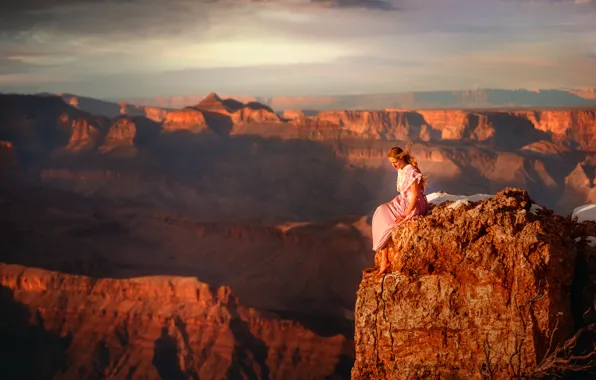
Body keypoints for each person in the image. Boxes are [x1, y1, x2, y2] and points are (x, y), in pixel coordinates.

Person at [372, 146, 429, 274]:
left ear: (401, 158)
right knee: (380, 211)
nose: (394, 166)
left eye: (395, 162)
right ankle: (384, 260)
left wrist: (405, 214)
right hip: (404, 200)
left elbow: (414, 196)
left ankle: (384, 261)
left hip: (414, 204)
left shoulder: (411, 171)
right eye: (391, 163)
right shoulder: (401, 170)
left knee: (387, 219)